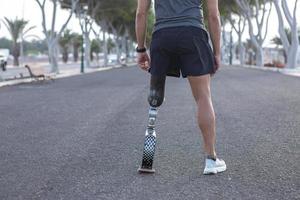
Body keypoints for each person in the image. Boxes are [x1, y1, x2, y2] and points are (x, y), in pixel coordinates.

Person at [135, 0, 226, 175]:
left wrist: (141, 49)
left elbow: (141, 13)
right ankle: (211, 160)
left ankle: (147, 160)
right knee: (203, 97)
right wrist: (216, 52)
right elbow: (213, 16)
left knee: (155, 96)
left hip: (162, 36)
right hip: (193, 34)